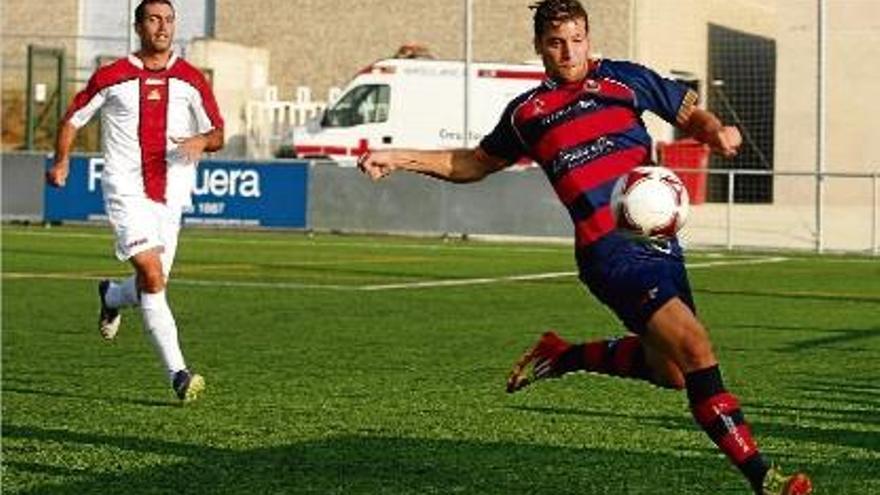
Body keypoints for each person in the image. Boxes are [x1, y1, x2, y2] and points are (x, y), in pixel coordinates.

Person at [357, 1, 811, 493]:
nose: (568, 51)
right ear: (539, 47)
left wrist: (715, 133)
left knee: (675, 374)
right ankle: (766, 479)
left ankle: (563, 356)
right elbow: (472, 163)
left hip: (658, 243)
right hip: (607, 252)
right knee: (698, 348)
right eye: (556, 42)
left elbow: (690, 113)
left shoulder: (625, 80)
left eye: (576, 39)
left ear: (588, 38)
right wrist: (398, 156)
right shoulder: (527, 113)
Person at [45, 0, 224, 403]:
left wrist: (202, 140)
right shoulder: (112, 75)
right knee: (152, 275)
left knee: (150, 282)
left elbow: (218, 132)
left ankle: (111, 295)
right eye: (154, 19)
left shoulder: (191, 79)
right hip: (126, 190)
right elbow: (72, 119)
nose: (163, 27)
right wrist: (61, 161)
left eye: (169, 20)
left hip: (172, 193)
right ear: (138, 26)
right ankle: (179, 373)